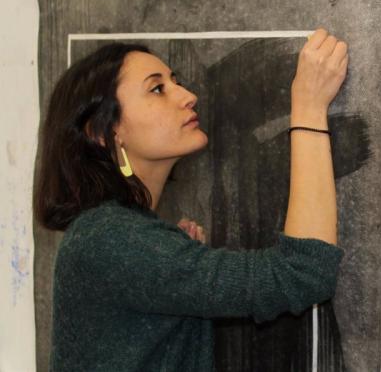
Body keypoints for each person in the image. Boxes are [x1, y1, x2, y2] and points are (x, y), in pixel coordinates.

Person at [33, 28, 349, 371]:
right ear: (105, 131)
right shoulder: (109, 238)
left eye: (176, 81)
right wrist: (309, 108)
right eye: (157, 89)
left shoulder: (113, 232)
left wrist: (171, 258)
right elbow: (301, 272)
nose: (188, 96)